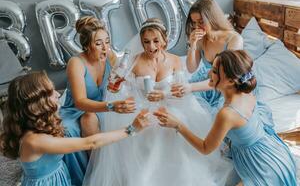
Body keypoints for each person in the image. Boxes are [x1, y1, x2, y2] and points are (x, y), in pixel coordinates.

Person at [83, 18, 233, 186]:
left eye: (156, 41)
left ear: (165, 41)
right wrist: (117, 86)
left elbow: (181, 93)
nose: (151, 46)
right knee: (147, 131)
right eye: (146, 42)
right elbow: (119, 90)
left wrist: (164, 95)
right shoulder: (132, 61)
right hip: (142, 110)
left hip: (171, 109)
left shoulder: (176, 61)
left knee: (171, 127)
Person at [155, 50, 297, 186]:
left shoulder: (227, 113)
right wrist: (190, 87)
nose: (209, 73)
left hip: (262, 166)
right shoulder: (246, 92)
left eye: (215, 72)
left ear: (230, 81)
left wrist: (177, 125)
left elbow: (205, 148)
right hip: (274, 152)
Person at [0, 71, 149, 186]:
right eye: (51, 92)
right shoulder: (34, 140)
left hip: (58, 177)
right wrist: (130, 129)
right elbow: (90, 143)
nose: (58, 94)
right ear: (38, 103)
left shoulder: (35, 124)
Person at [59, 16, 136, 185]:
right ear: (86, 45)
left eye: (107, 42)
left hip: (103, 107)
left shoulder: (109, 55)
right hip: (76, 109)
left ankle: (102, 173)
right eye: (98, 43)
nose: (105, 47)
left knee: (94, 118)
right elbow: (80, 101)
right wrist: (111, 106)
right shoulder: (76, 63)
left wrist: (122, 82)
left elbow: (125, 78)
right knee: (67, 130)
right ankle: (86, 176)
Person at [173, 0, 243, 110]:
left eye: (201, 22)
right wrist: (192, 44)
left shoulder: (234, 39)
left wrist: (190, 87)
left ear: (212, 19)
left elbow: (223, 78)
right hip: (208, 83)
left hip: (227, 85)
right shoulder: (201, 39)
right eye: (194, 23)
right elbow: (191, 68)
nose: (196, 27)